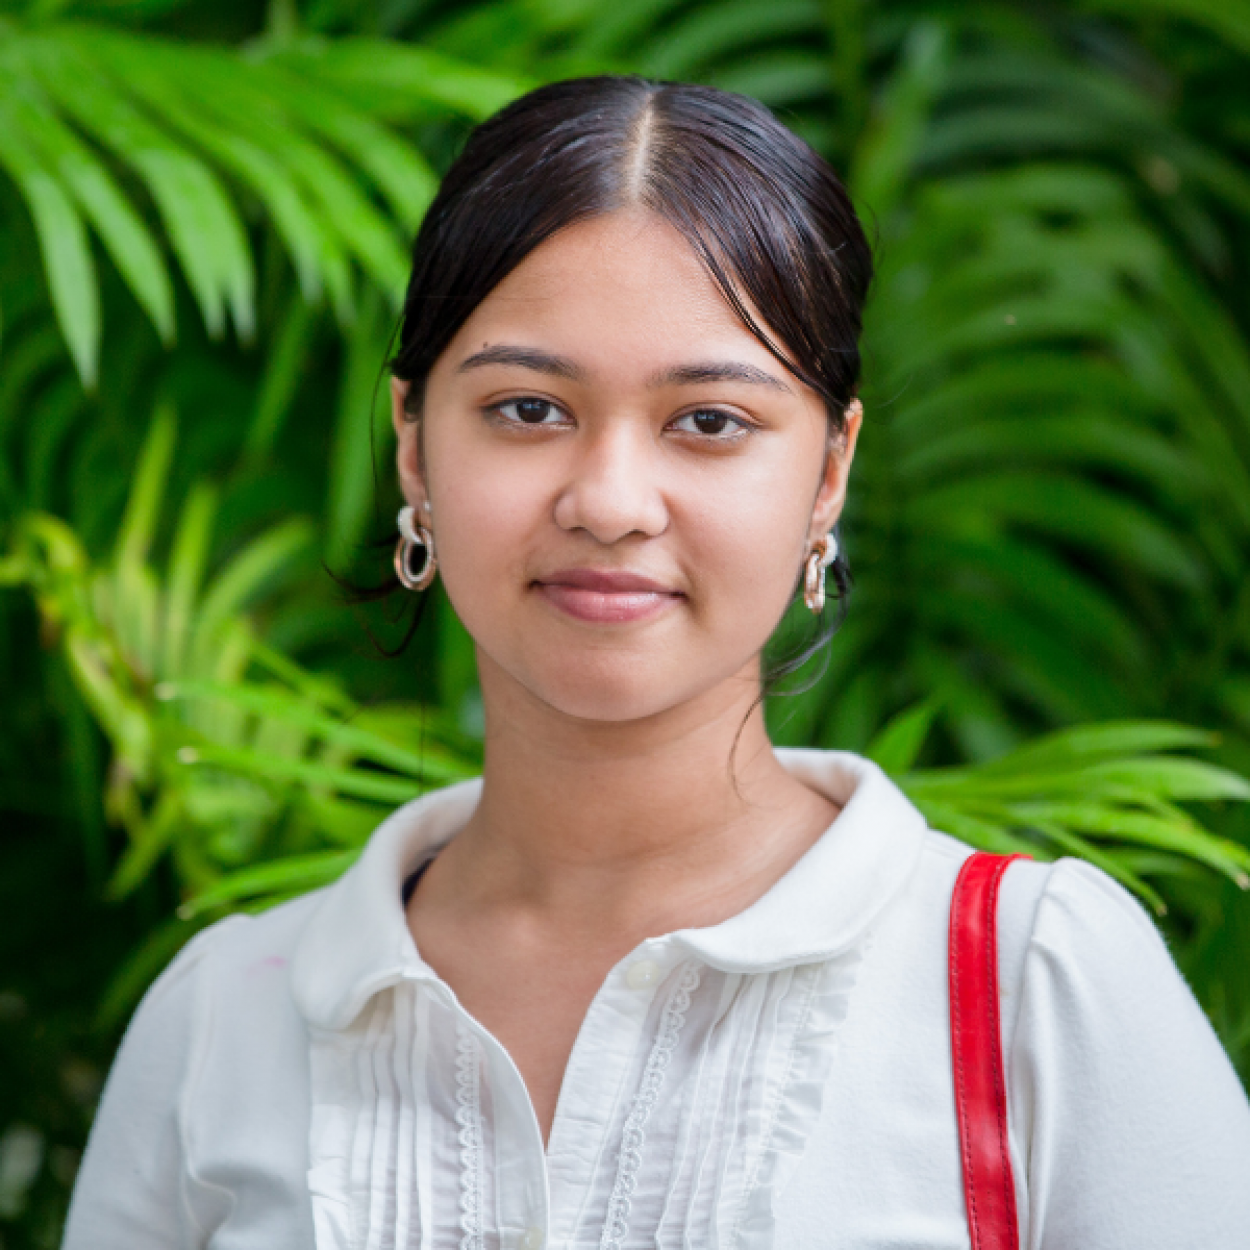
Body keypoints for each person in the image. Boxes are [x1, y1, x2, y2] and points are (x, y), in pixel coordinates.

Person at [62, 75, 1250, 1250]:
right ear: (414, 444)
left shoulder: (1025, 986)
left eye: (708, 421)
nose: (612, 501)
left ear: (828, 471)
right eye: (528, 409)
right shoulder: (226, 1015)